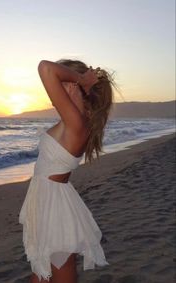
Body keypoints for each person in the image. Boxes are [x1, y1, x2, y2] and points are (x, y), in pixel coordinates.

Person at [19, 59, 116, 283]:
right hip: (48, 203)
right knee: (43, 271)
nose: (51, 95)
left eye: (60, 85)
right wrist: (78, 81)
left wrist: (81, 79)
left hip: (53, 207)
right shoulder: (74, 121)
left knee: (56, 271)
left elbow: (45, 67)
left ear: (71, 86)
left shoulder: (76, 123)